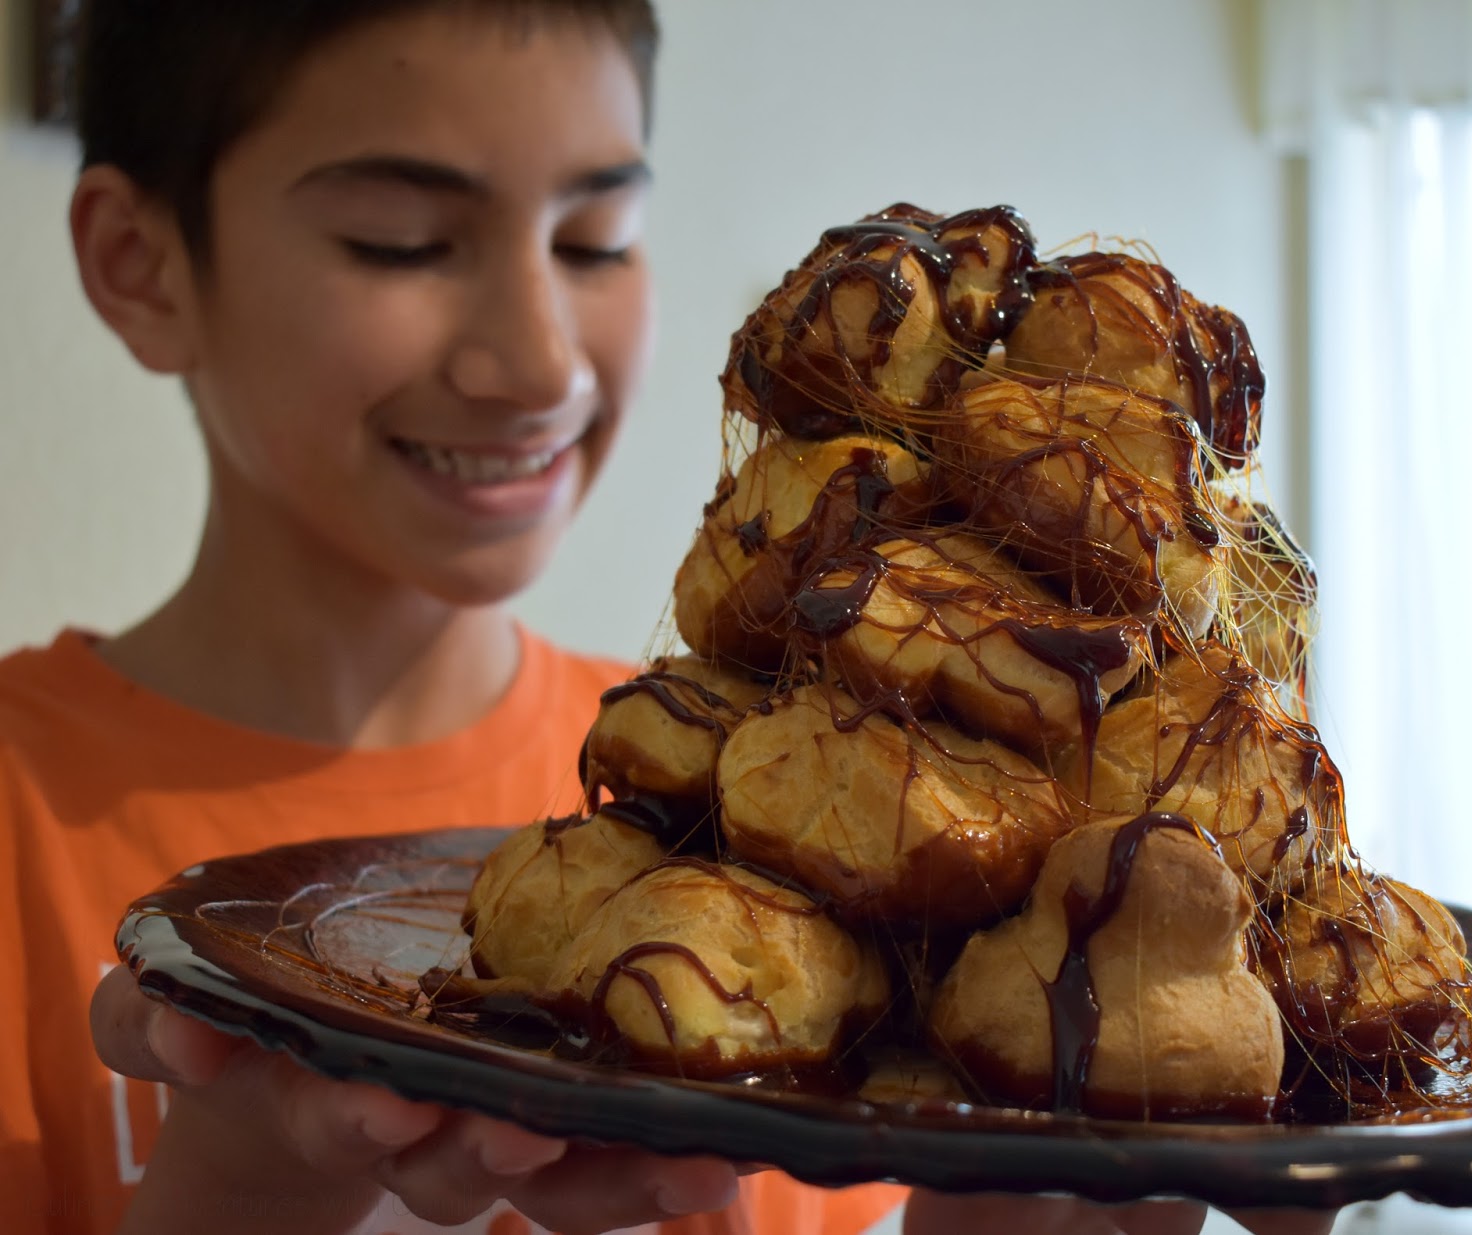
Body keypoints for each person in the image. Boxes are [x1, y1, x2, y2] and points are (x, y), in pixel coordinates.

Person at [0, 3, 1336, 1234]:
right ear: (141, 265)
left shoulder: (806, 824)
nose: (535, 360)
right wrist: (244, 1184)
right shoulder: (26, 826)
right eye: (398, 242)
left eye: (594, 240)